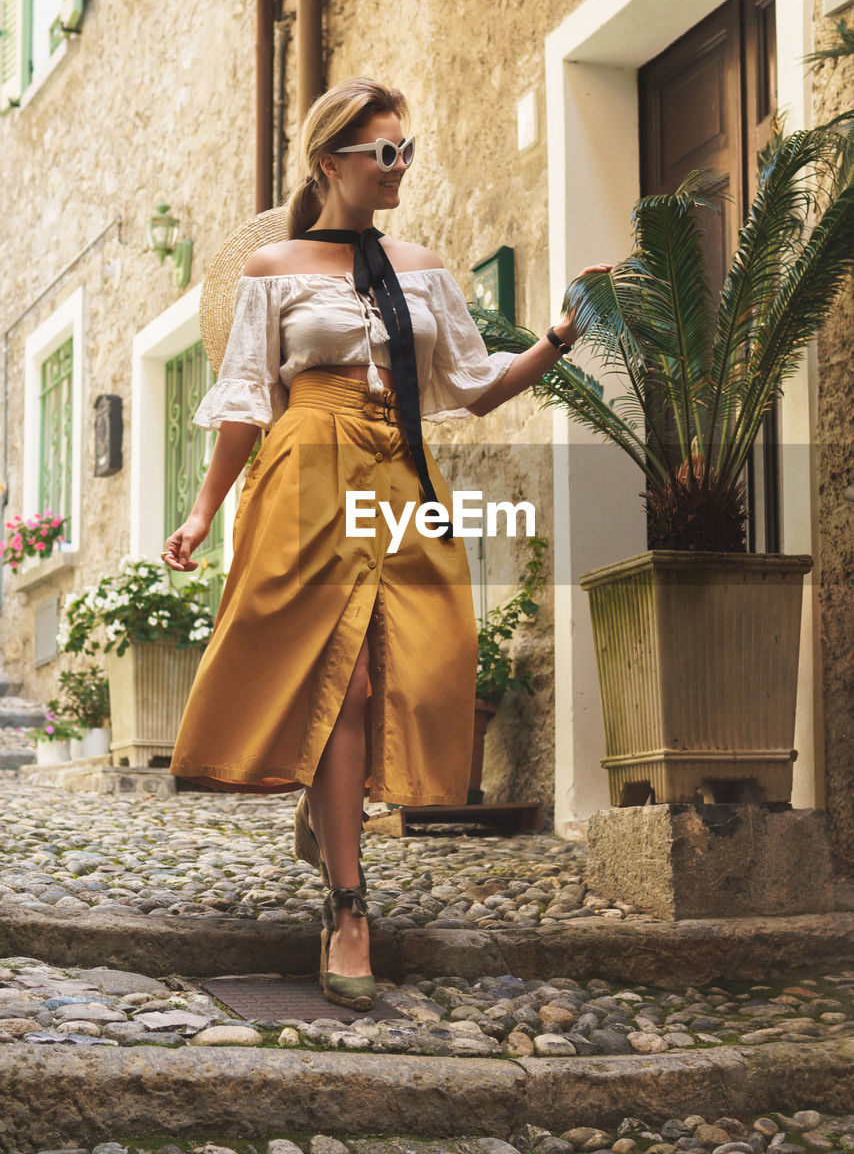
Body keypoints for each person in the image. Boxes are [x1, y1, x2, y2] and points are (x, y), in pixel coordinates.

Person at [162, 75, 611, 1011]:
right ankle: (348, 908)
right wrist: (204, 512)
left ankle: (327, 822)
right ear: (332, 162)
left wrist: (560, 337)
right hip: (305, 472)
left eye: (408, 150)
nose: (401, 166)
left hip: (400, 472)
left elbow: (477, 385)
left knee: (415, 668)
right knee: (349, 677)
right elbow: (248, 399)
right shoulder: (273, 269)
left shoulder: (424, 267)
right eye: (385, 152)